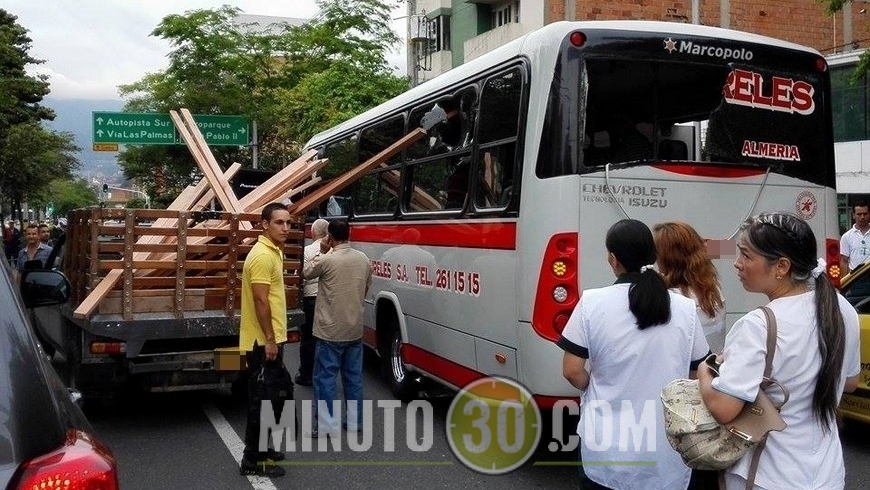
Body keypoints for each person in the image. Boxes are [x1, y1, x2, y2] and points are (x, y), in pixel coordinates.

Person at [698, 212, 860, 490]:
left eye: (747, 256)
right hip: (827, 475)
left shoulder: (758, 324)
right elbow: (851, 383)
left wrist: (705, 371)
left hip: (768, 476)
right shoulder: (841, 307)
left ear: (782, 266)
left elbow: (724, 408)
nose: (737, 264)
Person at [558, 219, 709, 490]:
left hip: (605, 446)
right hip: (666, 449)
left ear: (613, 259)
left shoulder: (592, 302)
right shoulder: (685, 308)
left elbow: (572, 369)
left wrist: (594, 386)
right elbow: (697, 372)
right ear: (653, 255)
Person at [303, 219, 372, 436]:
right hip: (354, 328)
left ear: (329, 237)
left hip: (329, 330)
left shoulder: (328, 260)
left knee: (325, 378)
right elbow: (366, 288)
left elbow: (306, 273)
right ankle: (355, 422)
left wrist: (322, 251)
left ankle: (325, 424)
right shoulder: (363, 260)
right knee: (353, 378)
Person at [238, 202, 292, 478]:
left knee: (275, 397)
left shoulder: (274, 252)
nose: (285, 228)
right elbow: (261, 301)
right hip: (262, 344)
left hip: (271, 341)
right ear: (264, 224)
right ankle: (252, 461)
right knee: (261, 401)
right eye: (279, 222)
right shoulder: (262, 256)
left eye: (288, 223)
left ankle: (263, 449)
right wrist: (270, 339)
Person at [653, 221, 726, 353]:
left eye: (656, 251)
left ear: (666, 258)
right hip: (714, 368)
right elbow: (729, 248)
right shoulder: (714, 289)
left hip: (685, 372)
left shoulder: (672, 300)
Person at [295, 218, 329, 387]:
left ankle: (306, 374)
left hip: (310, 299)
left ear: (313, 232)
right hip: (328, 300)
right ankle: (323, 375)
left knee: (308, 339)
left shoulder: (307, 250)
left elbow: (300, 275)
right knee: (325, 339)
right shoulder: (333, 251)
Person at [840, 201, 870, 275]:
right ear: (853, 215)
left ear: (869, 214)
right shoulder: (846, 237)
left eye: (865, 214)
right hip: (855, 280)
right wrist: (845, 284)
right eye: (859, 214)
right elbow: (844, 261)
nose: (862, 217)